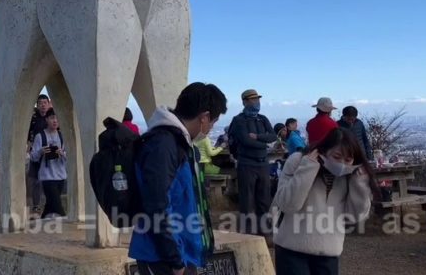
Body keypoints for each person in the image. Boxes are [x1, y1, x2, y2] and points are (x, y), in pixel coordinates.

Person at [129, 82, 226, 275]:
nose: (210, 128)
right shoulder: (163, 145)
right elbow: (157, 205)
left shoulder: (179, 143)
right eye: (213, 122)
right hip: (162, 258)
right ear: (204, 118)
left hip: (179, 254)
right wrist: (175, 261)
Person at [272, 128, 374, 275]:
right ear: (325, 150)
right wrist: (308, 168)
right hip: (291, 248)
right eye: (337, 156)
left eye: (348, 160)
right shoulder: (298, 161)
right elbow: (288, 204)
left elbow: (354, 217)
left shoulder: (350, 174)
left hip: (328, 251)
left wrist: (360, 185)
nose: (342, 164)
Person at [227, 89, 276, 235]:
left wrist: (258, 137)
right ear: (245, 102)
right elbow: (245, 140)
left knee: (264, 199)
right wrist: (264, 144)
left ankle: (265, 231)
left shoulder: (262, 118)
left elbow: (273, 136)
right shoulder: (238, 120)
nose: (257, 102)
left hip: (263, 164)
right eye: (253, 100)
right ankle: (248, 233)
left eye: (258, 99)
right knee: (247, 201)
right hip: (247, 163)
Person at [30, 110, 67, 218]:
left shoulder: (62, 136)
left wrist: (62, 153)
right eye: (52, 118)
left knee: (50, 205)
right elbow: (33, 157)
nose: (55, 121)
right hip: (47, 176)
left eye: (57, 118)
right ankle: (65, 222)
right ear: (46, 119)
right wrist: (41, 151)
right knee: (57, 205)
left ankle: (41, 221)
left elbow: (69, 156)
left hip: (60, 175)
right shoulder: (40, 136)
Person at [26, 94, 53, 214]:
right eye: (40, 103)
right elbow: (27, 133)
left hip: (50, 152)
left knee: (50, 178)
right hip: (36, 152)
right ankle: (36, 205)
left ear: (48, 103)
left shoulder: (52, 117)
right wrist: (29, 145)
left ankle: (50, 203)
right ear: (37, 105)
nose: (43, 105)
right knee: (36, 180)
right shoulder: (32, 118)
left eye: (45, 102)